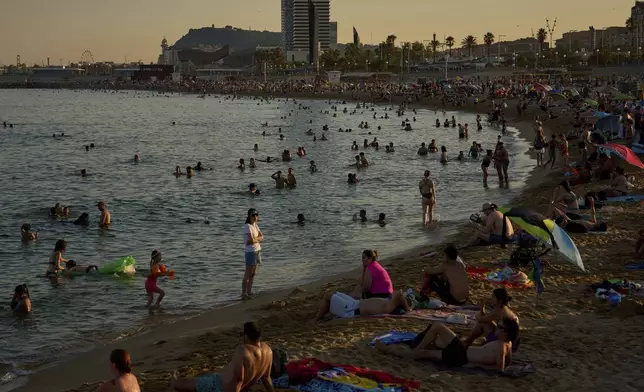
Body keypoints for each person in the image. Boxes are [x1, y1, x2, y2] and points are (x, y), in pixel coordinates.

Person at [374, 319, 517, 372]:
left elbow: (500, 368)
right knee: (429, 347)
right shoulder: (507, 343)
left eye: (499, 327)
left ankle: (389, 350)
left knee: (437, 327)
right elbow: (507, 361)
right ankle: (409, 349)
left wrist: (478, 366)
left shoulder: (501, 346)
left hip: (460, 355)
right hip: (461, 353)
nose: (496, 328)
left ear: (506, 332)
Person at [173, 322, 275, 392]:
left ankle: (174, 380)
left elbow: (239, 379)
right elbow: (266, 377)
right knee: (208, 376)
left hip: (220, 387)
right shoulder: (268, 351)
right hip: (225, 382)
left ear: (246, 336)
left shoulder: (243, 350)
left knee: (178, 384)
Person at [313, 289, 413, 322]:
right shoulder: (389, 302)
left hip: (351, 310)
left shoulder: (389, 306)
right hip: (355, 303)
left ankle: (316, 319)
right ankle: (326, 311)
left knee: (328, 295)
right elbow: (398, 293)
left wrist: (407, 308)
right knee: (334, 293)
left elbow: (399, 293)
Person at [242, 209, 263, 298]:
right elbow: (250, 241)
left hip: (257, 250)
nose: (255, 217)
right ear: (249, 216)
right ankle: (244, 293)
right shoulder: (247, 226)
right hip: (250, 252)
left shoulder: (255, 225)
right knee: (248, 272)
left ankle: (249, 291)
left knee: (253, 273)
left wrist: (256, 239)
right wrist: (257, 239)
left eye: (256, 215)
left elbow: (262, 236)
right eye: (253, 215)